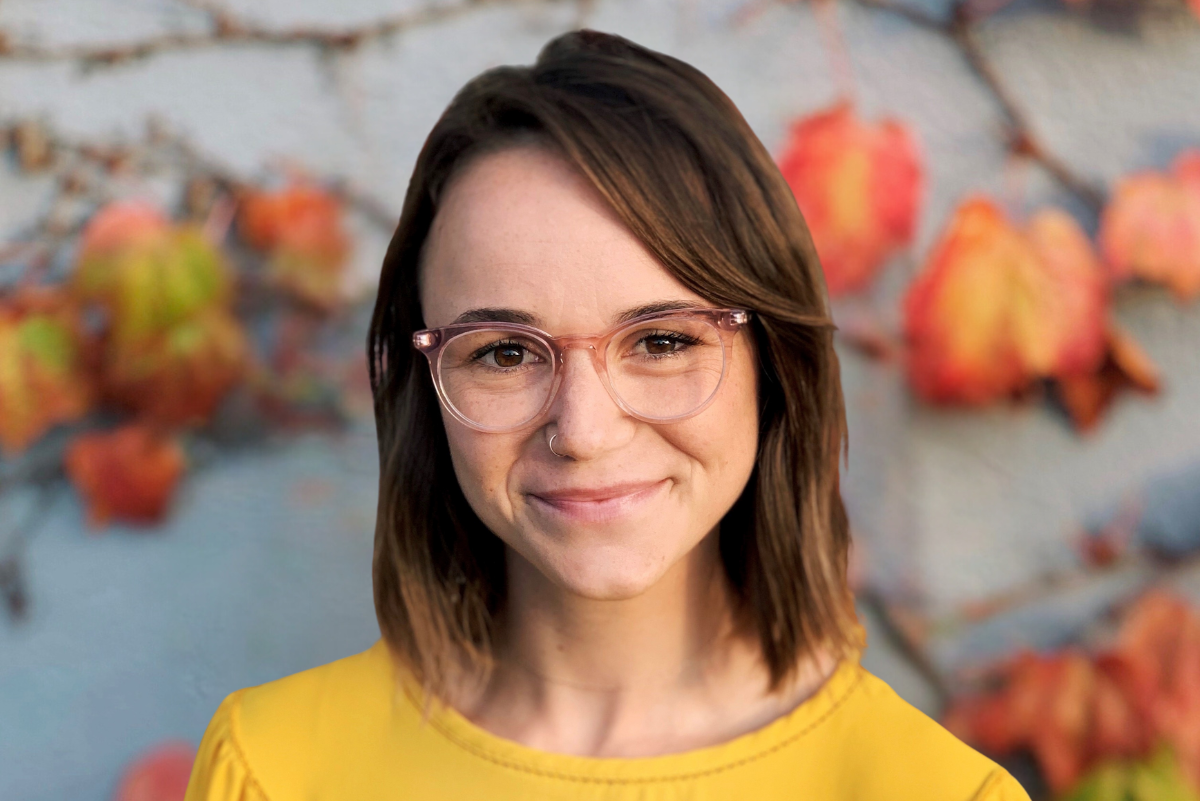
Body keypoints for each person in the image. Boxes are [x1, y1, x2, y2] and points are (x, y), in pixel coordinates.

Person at [184, 29, 1030, 801]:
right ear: (425, 382)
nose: (584, 433)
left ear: (774, 365)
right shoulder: (274, 769)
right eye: (504, 353)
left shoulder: (941, 792)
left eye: (661, 341)